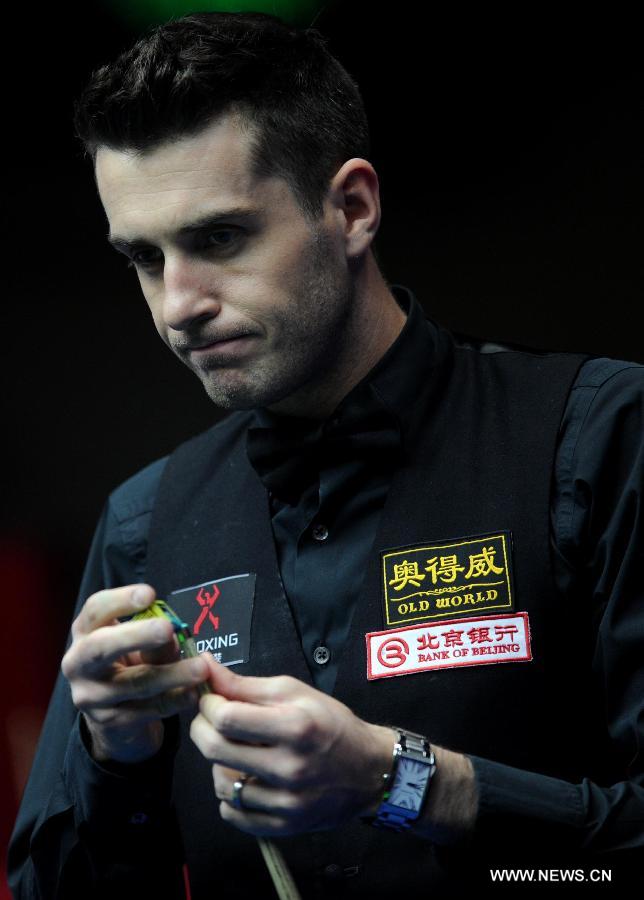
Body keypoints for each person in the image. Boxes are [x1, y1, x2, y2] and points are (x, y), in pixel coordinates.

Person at [8, 11, 644, 899]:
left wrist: (407, 784)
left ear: (351, 208)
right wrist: (114, 759)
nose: (177, 305)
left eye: (219, 238)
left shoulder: (599, 435)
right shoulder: (144, 523)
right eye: (145, 259)